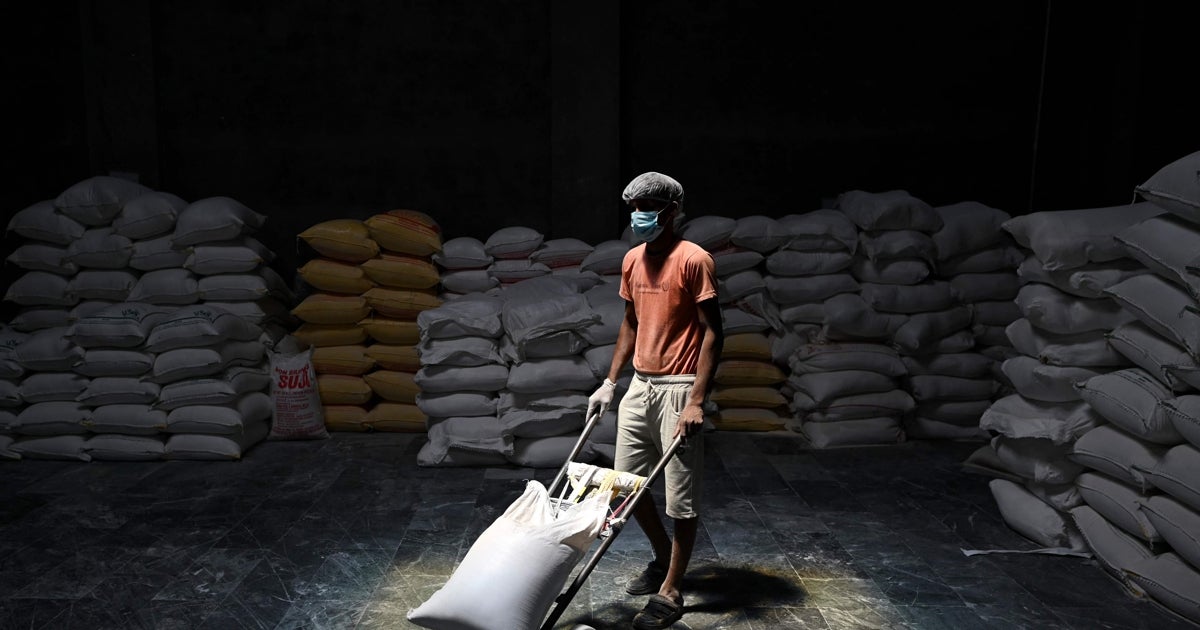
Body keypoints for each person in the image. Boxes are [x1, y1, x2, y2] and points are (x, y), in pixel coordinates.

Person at [587, 171, 723, 629]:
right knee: (622, 488)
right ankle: (663, 554)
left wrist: (697, 401)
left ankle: (671, 588)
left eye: (648, 206)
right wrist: (610, 381)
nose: (639, 214)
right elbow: (630, 322)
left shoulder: (694, 259)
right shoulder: (631, 259)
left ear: (670, 212)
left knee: (679, 499)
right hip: (641, 385)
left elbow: (713, 332)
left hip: (680, 386)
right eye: (634, 206)